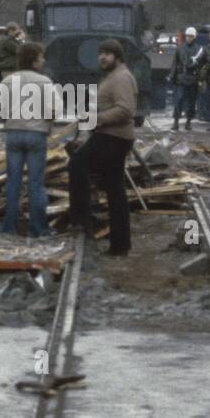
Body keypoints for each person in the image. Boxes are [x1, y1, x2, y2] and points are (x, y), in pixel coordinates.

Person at [67, 39, 137, 257]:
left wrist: (96, 119)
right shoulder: (112, 77)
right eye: (101, 53)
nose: (102, 57)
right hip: (112, 136)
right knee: (115, 189)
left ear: (117, 56)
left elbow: (125, 110)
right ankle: (120, 245)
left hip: (113, 137)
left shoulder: (122, 78)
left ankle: (80, 221)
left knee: (77, 165)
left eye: (107, 53)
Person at [0, 41, 54, 237]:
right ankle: (39, 229)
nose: (43, 60)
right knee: (36, 182)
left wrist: (8, 118)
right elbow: (54, 110)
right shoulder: (45, 82)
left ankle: (8, 227)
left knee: (13, 182)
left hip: (14, 134)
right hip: (37, 135)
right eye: (41, 57)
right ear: (34, 60)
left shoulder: (9, 80)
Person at [170, 27, 205, 131]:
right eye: (187, 36)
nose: (189, 38)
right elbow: (175, 64)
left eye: (191, 36)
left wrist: (200, 79)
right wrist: (172, 76)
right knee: (179, 100)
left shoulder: (199, 50)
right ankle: (176, 121)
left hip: (193, 80)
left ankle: (188, 121)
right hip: (181, 79)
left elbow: (202, 66)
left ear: (194, 37)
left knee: (191, 102)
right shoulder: (180, 48)